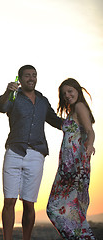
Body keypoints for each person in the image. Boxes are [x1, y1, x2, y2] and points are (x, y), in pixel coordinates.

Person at [0, 65, 62, 240]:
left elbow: (55, 120)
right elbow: (1, 107)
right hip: (14, 152)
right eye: (27, 76)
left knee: (29, 203)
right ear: (19, 78)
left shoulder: (42, 100)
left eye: (34, 75)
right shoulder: (13, 96)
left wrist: (77, 126)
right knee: (9, 201)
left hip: (36, 154)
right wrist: (7, 91)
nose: (31, 78)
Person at [46, 78, 96, 239]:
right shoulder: (71, 111)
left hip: (76, 165)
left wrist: (90, 144)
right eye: (64, 93)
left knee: (55, 208)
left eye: (70, 91)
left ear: (77, 90)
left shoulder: (80, 106)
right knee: (71, 208)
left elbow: (90, 131)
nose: (67, 95)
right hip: (66, 167)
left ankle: (83, 237)